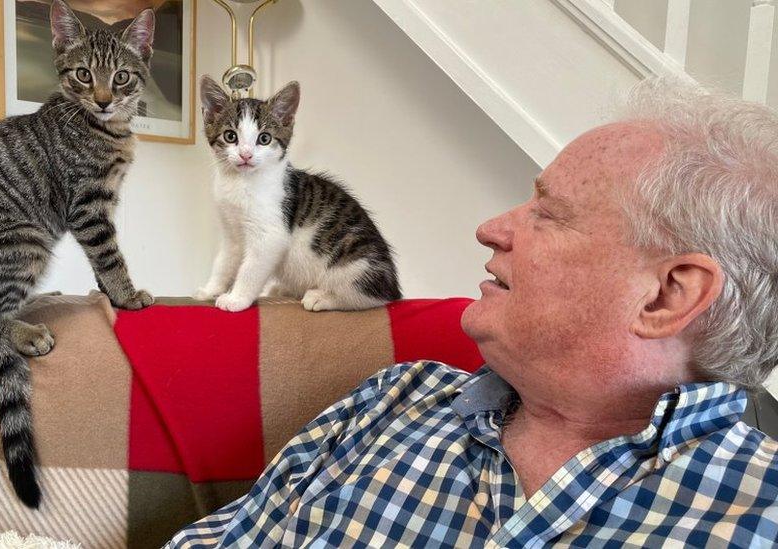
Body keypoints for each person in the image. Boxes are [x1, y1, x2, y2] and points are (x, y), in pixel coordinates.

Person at [167, 79, 778, 547]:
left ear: (668, 295)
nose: (490, 230)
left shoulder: (760, 509)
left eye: (549, 212)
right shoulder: (390, 401)